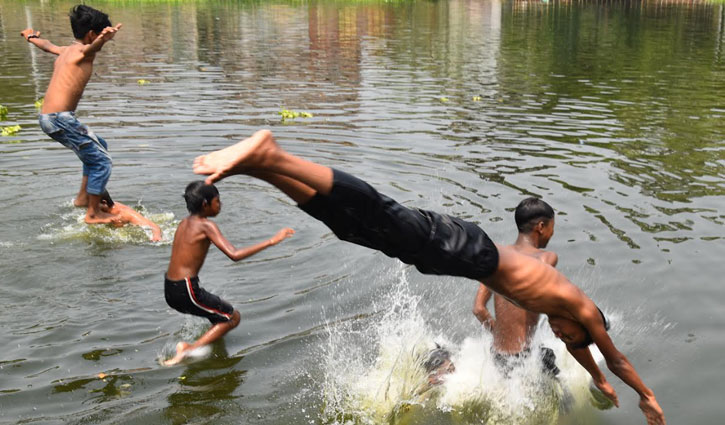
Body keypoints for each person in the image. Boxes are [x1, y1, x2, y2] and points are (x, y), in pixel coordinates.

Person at [191, 129, 666, 424]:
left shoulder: (571, 321)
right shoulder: (580, 309)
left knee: (355, 229)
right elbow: (615, 357)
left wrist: (598, 383)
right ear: (585, 322)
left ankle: (259, 169)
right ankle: (273, 153)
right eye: (567, 334)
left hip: (455, 260)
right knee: (381, 210)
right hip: (468, 247)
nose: (558, 334)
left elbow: (590, 357)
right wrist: (645, 397)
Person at [163, 181, 294, 366]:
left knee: (216, 314)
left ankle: (205, 344)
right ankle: (188, 349)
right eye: (218, 200)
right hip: (186, 290)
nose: (220, 204)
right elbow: (234, 254)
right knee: (232, 317)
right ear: (205, 204)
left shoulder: (184, 223)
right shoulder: (206, 226)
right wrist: (272, 241)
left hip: (170, 288)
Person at [22, 5, 122, 224]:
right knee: (102, 161)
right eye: (102, 38)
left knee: (98, 146)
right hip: (60, 118)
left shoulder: (67, 50)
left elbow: (47, 45)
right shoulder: (85, 51)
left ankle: (83, 198)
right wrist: (104, 39)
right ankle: (93, 213)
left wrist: (30, 36)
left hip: (50, 118)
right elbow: (92, 48)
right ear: (92, 34)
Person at [473, 197, 560, 377]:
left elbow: (479, 309)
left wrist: (499, 334)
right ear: (541, 227)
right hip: (523, 357)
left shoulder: (497, 256)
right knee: (563, 397)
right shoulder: (546, 258)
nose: (552, 234)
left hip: (498, 354)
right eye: (552, 227)